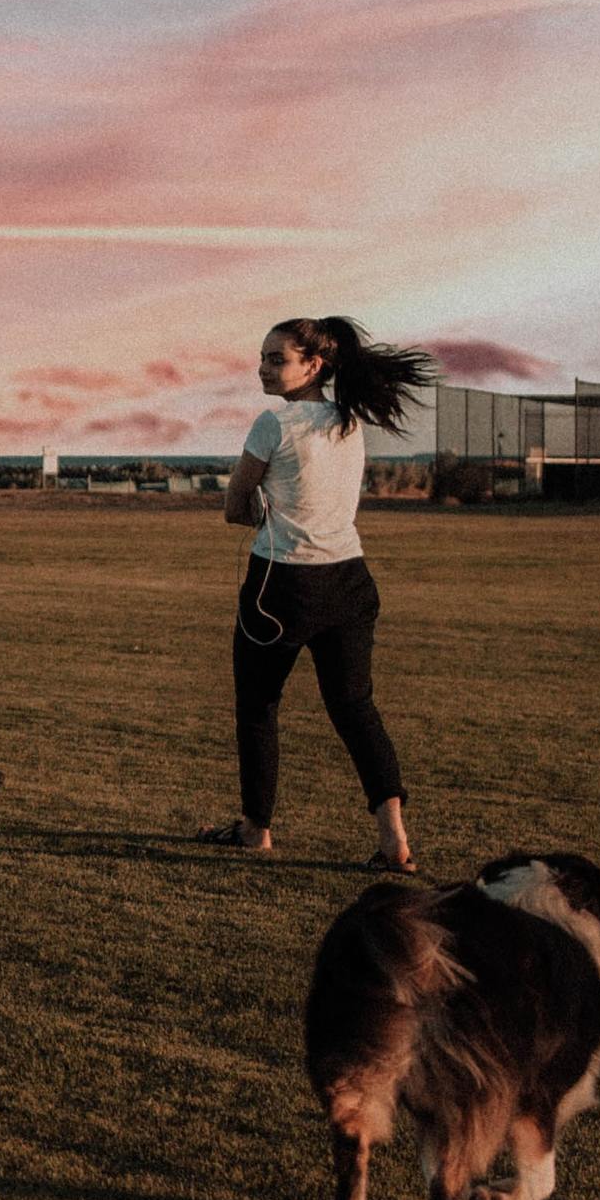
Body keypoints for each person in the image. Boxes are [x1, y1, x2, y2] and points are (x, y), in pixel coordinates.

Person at [199, 314, 437, 870]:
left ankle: (256, 831)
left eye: (276, 358)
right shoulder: (350, 421)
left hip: (282, 587)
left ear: (314, 365)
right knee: (355, 707)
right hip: (351, 582)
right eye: (261, 358)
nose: (263, 367)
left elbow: (236, 507)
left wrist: (261, 510)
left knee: (258, 708)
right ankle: (393, 839)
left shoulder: (272, 424)